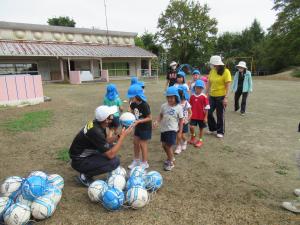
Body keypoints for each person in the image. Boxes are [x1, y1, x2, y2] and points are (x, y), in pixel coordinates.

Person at [69, 105, 133, 187]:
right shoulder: (96, 131)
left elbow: (105, 141)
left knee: (110, 150)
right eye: (111, 115)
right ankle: (84, 176)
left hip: (82, 156)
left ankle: (86, 169)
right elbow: (111, 155)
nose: (113, 117)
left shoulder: (97, 124)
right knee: (114, 161)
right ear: (106, 119)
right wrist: (123, 137)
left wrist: (119, 136)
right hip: (79, 161)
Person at [155, 86, 183, 171]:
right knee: (164, 145)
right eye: (168, 97)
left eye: (172, 97)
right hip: (164, 129)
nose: (170, 99)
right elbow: (161, 115)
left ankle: (171, 162)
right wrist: (157, 121)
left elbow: (181, 120)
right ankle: (170, 157)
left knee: (168, 146)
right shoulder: (164, 106)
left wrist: (180, 132)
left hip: (172, 130)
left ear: (176, 97)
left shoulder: (179, 107)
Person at [127, 84, 152, 169]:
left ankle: (145, 162)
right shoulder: (133, 103)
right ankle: (136, 160)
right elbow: (130, 110)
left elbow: (149, 118)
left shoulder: (144, 105)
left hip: (145, 127)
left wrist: (139, 121)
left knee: (142, 144)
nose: (130, 98)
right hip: (137, 126)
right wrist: (128, 115)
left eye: (132, 96)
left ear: (137, 96)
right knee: (135, 142)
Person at [206, 55, 232, 138]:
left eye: (214, 65)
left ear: (219, 64)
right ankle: (213, 128)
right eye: (213, 65)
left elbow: (228, 86)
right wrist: (206, 94)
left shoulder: (226, 72)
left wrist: (226, 98)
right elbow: (209, 83)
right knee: (208, 112)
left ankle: (220, 131)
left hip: (221, 96)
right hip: (212, 96)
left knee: (219, 114)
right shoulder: (212, 71)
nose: (213, 66)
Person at [189, 80, 210, 147]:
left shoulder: (204, 97)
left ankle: (200, 141)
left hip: (201, 116)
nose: (199, 89)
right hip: (193, 116)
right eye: (197, 87)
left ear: (202, 89)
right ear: (194, 87)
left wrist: (206, 117)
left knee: (201, 129)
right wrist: (188, 115)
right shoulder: (192, 96)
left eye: (200, 88)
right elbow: (189, 106)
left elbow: (207, 107)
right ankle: (193, 137)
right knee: (191, 127)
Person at [174, 85, 192, 154]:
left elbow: (190, 112)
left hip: (184, 122)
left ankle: (185, 141)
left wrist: (187, 119)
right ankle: (178, 146)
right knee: (178, 135)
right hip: (176, 122)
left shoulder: (186, 103)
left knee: (182, 135)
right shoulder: (175, 103)